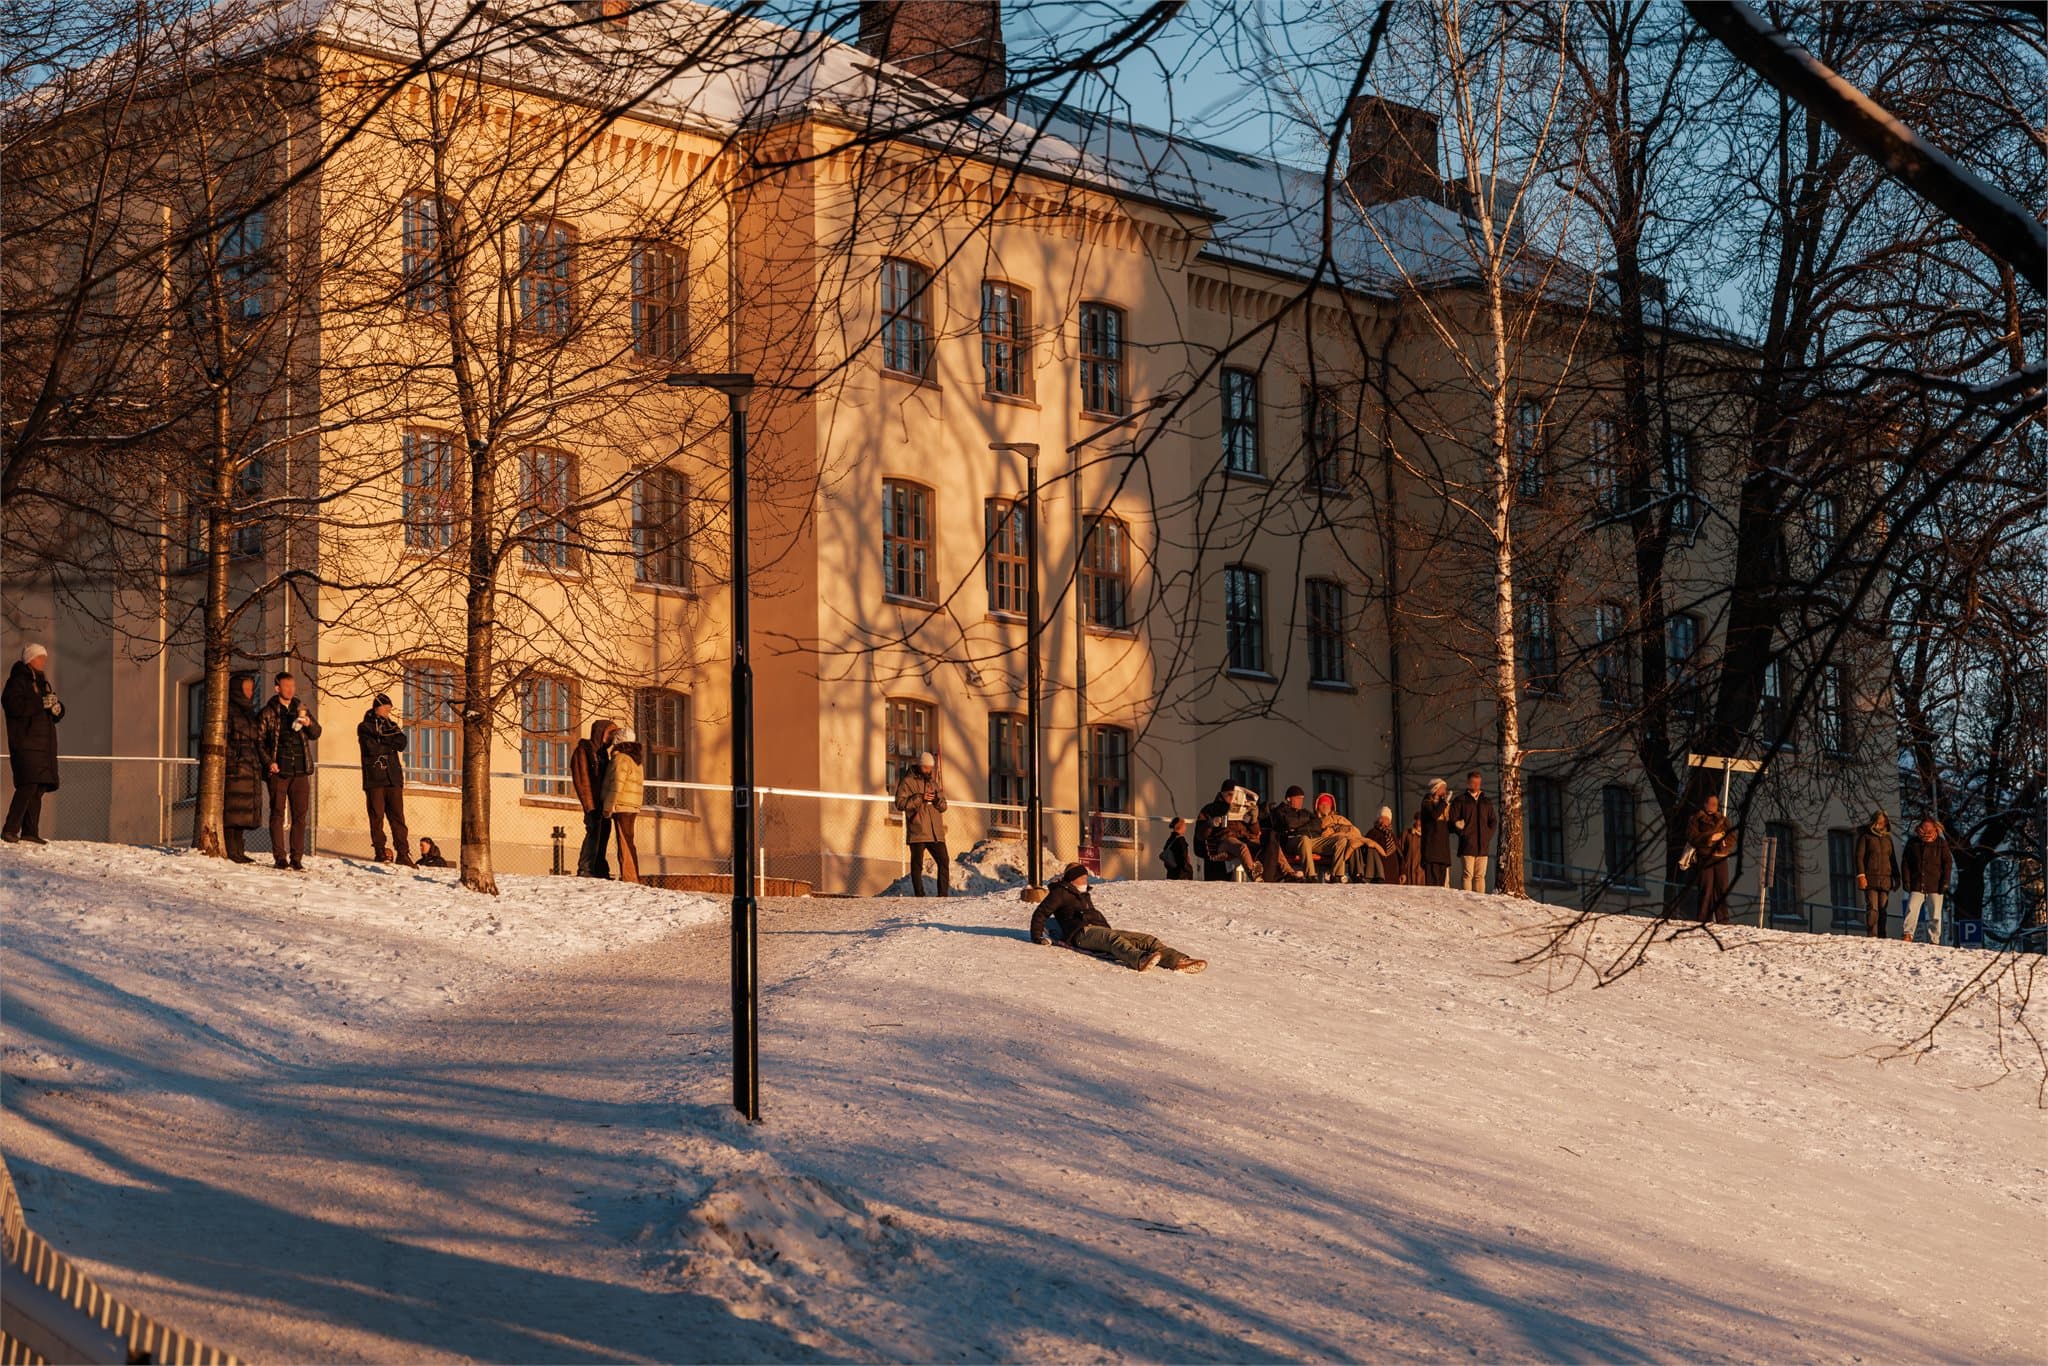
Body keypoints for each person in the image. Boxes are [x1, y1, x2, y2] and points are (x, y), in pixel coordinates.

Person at [1030, 862, 1206, 973]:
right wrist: (1037, 937)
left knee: (1147, 939)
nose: (1085, 879)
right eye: (1082, 877)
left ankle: (1178, 960)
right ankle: (1140, 959)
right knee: (1112, 939)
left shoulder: (1084, 894)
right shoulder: (1060, 892)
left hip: (1100, 930)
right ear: (1073, 879)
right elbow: (1041, 913)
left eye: (1085, 876)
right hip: (1081, 933)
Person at [257, 671, 321, 871]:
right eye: (286, 686)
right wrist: (269, 762)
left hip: (301, 769)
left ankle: (297, 858)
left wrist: (308, 723)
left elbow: (317, 732)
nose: (291, 690)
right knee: (277, 813)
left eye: (292, 686)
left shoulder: (301, 708)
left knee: (300, 815)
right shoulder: (267, 712)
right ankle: (280, 857)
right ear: (277, 688)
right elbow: (258, 742)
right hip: (279, 770)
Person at [3, 643, 64, 845]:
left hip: (41, 746)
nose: (43, 662)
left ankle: (30, 831)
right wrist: (41, 703)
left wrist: (57, 709)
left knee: (37, 788)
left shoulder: (42, 682)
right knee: (27, 785)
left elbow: (46, 709)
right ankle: (10, 829)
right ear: (30, 659)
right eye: (40, 658)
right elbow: (13, 705)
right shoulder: (17, 681)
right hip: (26, 744)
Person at [356, 692, 413, 866]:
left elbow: (402, 743)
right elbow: (371, 748)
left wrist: (384, 741)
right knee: (377, 816)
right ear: (378, 707)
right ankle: (380, 851)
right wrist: (389, 743)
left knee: (398, 818)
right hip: (375, 779)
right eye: (386, 708)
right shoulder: (365, 726)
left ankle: (403, 853)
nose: (388, 711)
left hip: (393, 778)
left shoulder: (392, 726)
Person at [894, 750, 949, 897]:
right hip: (917, 830)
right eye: (926, 768)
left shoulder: (933, 783)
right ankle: (919, 895)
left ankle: (943, 895)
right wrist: (920, 798)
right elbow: (900, 803)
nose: (928, 771)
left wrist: (937, 800)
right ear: (919, 766)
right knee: (917, 865)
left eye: (930, 768)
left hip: (936, 832)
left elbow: (944, 807)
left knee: (944, 861)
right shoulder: (907, 782)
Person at [224, 672, 265, 863]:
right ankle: (232, 851)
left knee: (241, 814)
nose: (250, 692)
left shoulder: (249, 713)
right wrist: (234, 761)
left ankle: (239, 851)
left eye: (251, 688)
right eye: (246, 688)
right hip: (236, 771)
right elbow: (224, 740)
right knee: (232, 814)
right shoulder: (228, 712)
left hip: (249, 770)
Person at [570, 717, 618, 878]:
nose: (611, 737)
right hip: (593, 803)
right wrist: (589, 806)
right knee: (593, 833)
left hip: (602, 803)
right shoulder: (583, 751)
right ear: (600, 733)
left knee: (604, 832)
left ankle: (599, 868)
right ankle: (585, 868)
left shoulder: (603, 753)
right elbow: (582, 779)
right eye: (609, 733)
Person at [1196, 779, 1262, 880]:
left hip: (1242, 838)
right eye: (1230, 795)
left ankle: (1288, 873)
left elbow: (1255, 832)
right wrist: (1210, 824)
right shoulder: (1210, 809)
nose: (1232, 798)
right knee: (1242, 847)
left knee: (1270, 843)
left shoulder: (1243, 810)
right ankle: (1253, 873)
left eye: (1235, 795)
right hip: (1224, 840)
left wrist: (1254, 821)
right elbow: (1200, 834)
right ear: (1222, 794)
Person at [1900, 817, 1952, 945]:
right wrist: (1906, 880)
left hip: (1936, 884)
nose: (1926, 832)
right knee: (1911, 909)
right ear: (1919, 829)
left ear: (1935, 829)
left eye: (1929, 829)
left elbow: (1947, 863)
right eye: (1923, 829)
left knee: (1935, 914)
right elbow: (1905, 862)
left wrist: (1945, 882)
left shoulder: (1941, 843)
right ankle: (1907, 934)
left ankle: (1934, 939)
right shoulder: (1913, 842)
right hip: (1917, 883)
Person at [1686, 794, 1737, 924]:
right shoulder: (1696, 819)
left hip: (1720, 857)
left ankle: (1723, 920)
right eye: (1710, 803)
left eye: (1715, 804)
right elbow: (1692, 837)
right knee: (1706, 888)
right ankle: (1703, 919)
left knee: (1721, 888)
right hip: (1705, 857)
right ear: (1705, 804)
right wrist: (1710, 838)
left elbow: (1732, 838)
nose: (1712, 807)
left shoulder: (1723, 820)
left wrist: (1724, 843)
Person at [602, 727, 644, 884]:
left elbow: (617, 785)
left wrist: (608, 806)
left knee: (625, 843)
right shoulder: (636, 759)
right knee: (628, 841)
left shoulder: (621, 759)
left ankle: (630, 877)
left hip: (622, 805)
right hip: (632, 805)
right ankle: (632, 876)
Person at [1448, 770, 1499, 892]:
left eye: (1478, 783)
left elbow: (1493, 821)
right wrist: (1462, 833)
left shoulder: (1486, 801)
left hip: (1483, 845)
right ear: (1468, 783)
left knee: (1480, 876)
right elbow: (1452, 820)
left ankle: (1480, 901)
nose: (1476, 785)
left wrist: (1487, 835)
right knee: (1467, 875)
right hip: (1467, 844)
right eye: (1474, 783)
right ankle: (1468, 900)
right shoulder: (1460, 800)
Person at [1855, 810, 1898, 939]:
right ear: (1874, 822)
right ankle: (1872, 934)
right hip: (1870, 878)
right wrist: (1861, 875)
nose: (1881, 824)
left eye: (1884, 822)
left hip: (1886, 879)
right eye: (1879, 821)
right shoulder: (1865, 837)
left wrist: (1897, 877)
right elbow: (1859, 857)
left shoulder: (1888, 839)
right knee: (1873, 908)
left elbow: (1893, 860)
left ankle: (1882, 935)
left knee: (1883, 909)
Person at [1304, 794, 1365, 883]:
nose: (1325, 807)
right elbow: (1321, 837)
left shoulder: (1340, 819)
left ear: (1332, 807)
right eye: (1322, 804)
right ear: (1317, 806)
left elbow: (1355, 831)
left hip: (1344, 840)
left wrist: (1343, 833)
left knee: (1354, 842)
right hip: (1328, 845)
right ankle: (1340, 875)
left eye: (1327, 805)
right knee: (1345, 841)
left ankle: (1357, 874)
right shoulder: (1314, 820)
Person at [1265, 786, 1319, 882]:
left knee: (1306, 838)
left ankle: (1338, 876)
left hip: (1303, 840)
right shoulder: (1279, 811)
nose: (1300, 802)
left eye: (1302, 799)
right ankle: (1311, 876)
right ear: (1288, 799)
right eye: (1298, 798)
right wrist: (1305, 823)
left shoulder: (1305, 812)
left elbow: (1317, 825)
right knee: (1305, 839)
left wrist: (1297, 830)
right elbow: (1288, 823)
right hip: (1287, 842)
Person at [1418, 779, 1452, 888]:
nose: (1445, 791)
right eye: (1443, 788)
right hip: (1432, 852)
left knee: (1441, 884)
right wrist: (1444, 802)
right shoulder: (1427, 802)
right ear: (1436, 789)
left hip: (1442, 852)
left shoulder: (1443, 805)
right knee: (1432, 885)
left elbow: (1448, 825)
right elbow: (1434, 815)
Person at [1359, 806, 1404, 884]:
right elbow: (1364, 853)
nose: (1384, 821)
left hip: (1394, 877)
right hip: (1378, 877)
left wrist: (1403, 872)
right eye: (1382, 818)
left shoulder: (1392, 836)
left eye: (1387, 818)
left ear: (1390, 821)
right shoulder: (1372, 833)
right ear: (1378, 819)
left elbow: (1400, 856)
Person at [1400, 811, 1426, 886]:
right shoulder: (1407, 834)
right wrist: (1402, 871)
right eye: (1418, 820)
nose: (1419, 822)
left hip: (1421, 873)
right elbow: (1400, 852)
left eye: (1421, 820)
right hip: (1408, 871)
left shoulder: (1427, 836)